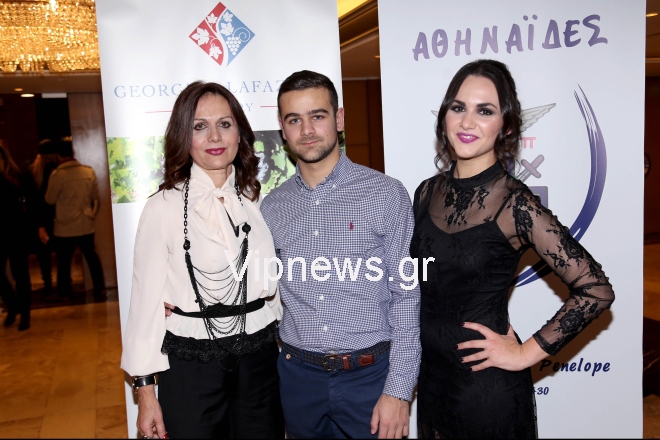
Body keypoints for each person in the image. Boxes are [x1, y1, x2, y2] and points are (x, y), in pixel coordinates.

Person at [409, 59, 615, 438]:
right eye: (458, 107)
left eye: (484, 111)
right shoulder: (425, 192)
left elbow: (595, 290)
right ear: (445, 116)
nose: (467, 122)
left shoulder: (515, 204)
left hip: (485, 390)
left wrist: (525, 353)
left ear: (505, 126)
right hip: (433, 381)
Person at [260, 70, 421, 439]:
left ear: (339, 119)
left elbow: (406, 296)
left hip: (371, 377)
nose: (307, 130)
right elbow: (259, 284)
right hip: (298, 378)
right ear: (283, 130)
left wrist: (399, 389)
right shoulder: (272, 207)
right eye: (294, 120)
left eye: (317, 116)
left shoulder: (385, 193)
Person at [122, 81, 284, 439]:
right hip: (192, 363)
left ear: (239, 133)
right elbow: (145, 304)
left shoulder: (255, 199)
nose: (215, 136)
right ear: (184, 136)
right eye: (200, 126)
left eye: (225, 124)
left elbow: (272, 285)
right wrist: (145, 392)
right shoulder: (162, 207)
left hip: (260, 359)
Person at [45, 140, 105, 299]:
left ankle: (64, 291)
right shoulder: (88, 172)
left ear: (58, 156)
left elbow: (49, 199)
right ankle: (100, 288)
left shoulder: (57, 175)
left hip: (65, 224)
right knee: (91, 257)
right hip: (86, 222)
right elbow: (95, 197)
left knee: (64, 260)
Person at [0, 145, 34, 330]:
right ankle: (13, 304)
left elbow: (32, 201)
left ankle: (25, 314)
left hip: (17, 231)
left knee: (20, 274)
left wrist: (39, 226)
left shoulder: (18, 177)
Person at [29, 139, 59, 297]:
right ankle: (62, 284)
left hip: (39, 219)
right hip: (56, 217)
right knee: (61, 252)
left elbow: (31, 201)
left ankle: (47, 284)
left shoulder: (32, 171)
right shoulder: (56, 170)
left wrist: (38, 224)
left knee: (43, 255)